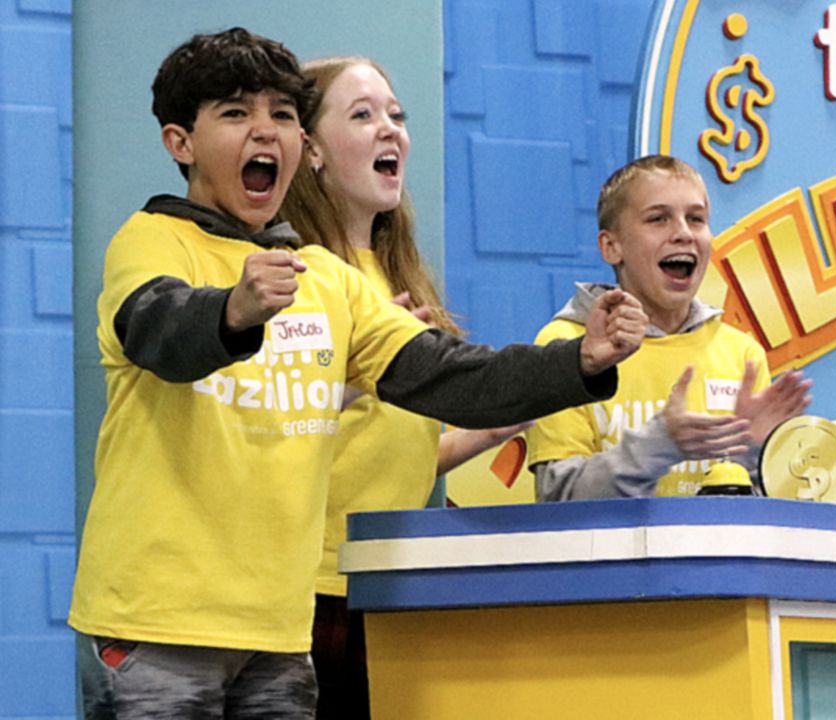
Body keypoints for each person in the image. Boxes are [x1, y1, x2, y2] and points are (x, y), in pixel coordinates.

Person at [70, 28, 645, 719]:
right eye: (234, 113)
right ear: (179, 143)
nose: (266, 132)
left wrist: (578, 362)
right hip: (155, 629)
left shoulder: (333, 284)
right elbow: (158, 329)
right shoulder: (151, 241)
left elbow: (447, 375)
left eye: (281, 115)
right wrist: (236, 310)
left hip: (279, 638)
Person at [278, 55, 524, 719]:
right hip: (316, 591)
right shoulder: (297, 275)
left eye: (396, 114)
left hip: (393, 583)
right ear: (312, 151)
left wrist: (495, 426)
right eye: (363, 115)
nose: (391, 130)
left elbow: (394, 449)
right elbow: (266, 430)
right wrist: (356, 382)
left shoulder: (393, 274)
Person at [528, 155, 811, 500]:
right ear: (611, 246)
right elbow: (559, 499)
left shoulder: (742, 354)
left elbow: (764, 520)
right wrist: (659, 443)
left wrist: (752, 455)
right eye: (658, 219)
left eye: (696, 219)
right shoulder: (568, 345)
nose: (682, 234)